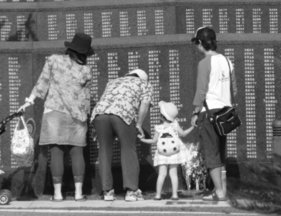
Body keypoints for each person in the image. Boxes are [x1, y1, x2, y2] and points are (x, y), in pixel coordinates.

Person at [17, 32, 94, 201]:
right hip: (77, 116)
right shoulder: (86, 70)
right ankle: (78, 194)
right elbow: (86, 98)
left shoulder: (53, 60)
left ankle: (58, 195)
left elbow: (42, 82)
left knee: (56, 152)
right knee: (77, 152)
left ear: (70, 48)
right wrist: (87, 117)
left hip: (54, 111)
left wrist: (29, 100)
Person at [90, 69, 152, 202]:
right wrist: (139, 124)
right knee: (128, 149)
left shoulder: (113, 81)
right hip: (122, 113)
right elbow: (145, 103)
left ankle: (107, 191)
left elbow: (105, 100)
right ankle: (131, 191)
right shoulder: (144, 83)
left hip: (99, 114)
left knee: (104, 150)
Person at [190, 26, 237, 202]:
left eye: (196, 43)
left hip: (209, 112)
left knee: (211, 154)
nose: (196, 47)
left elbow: (201, 91)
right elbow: (234, 88)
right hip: (225, 112)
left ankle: (219, 192)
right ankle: (222, 189)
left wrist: (195, 112)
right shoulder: (227, 61)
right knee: (220, 152)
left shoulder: (204, 63)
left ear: (201, 43)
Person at [140, 101, 194, 200]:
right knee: (173, 174)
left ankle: (158, 195)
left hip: (162, 154)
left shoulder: (159, 128)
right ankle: (175, 195)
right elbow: (183, 134)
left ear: (162, 116)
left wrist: (143, 140)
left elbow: (154, 141)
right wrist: (192, 127)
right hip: (174, 154)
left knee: (161, 174)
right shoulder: (175, 125)